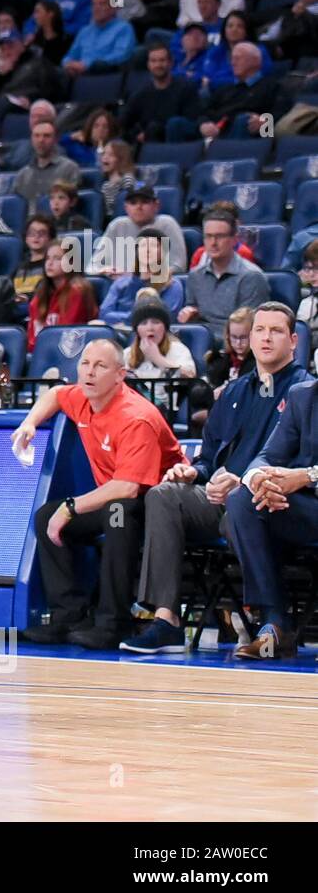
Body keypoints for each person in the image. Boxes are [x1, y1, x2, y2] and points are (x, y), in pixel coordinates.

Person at [125, 303, 311, 654]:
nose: (266, 337)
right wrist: (195, 472)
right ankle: (166, 619)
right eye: (259, 330)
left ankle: (270, 619)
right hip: (221, 499)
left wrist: (242, 482)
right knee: (164, 495)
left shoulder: (304, 391)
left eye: (275, 331)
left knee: (240, 507)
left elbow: (301, 464)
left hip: (270, 502)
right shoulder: (235, 392)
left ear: (293, 340)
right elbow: (210, 457)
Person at [15, 338, 185, 648]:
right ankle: (68, 616)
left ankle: (114, 623)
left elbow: (129, 487)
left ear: (120, 375)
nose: (89, 372)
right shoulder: (83, 396)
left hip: (160, 506)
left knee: (116, 511)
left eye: (100, 366)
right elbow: (54, 394)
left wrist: (70, 506)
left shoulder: (136, 416)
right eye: (85, 364)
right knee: (45, 517)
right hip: (115, 497)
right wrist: (30, 422)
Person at [227, 375, 318, 660]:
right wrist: (259, 480)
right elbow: (267, 455)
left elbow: (302, 476)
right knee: (243, 500)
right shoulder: (303, 396)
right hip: (307, 512)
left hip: (308, 493)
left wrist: (306, 476)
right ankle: (274, 623)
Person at [179, 210, 268, 337]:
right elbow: (193, 313)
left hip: (236, 346)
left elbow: (251, 328)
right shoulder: (195, 275)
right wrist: (188, 315)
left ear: (234, 239)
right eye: (208, 236)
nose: (213, 243)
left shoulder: (251, 276)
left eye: (219, 236)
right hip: (203, 343)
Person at [91, 183, 187, 275]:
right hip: (120, 285)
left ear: (156, 205)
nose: (139, 207)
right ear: (126, 208)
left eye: (145, 202)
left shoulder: (167, 224)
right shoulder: (117, 225)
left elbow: (179, 265)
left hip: (159, 284)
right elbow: (93, 266)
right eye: (133, 203)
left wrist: (150, 276)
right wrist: (105, 270)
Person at [97, 229, 184, 327]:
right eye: (143, 246)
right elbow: (104, 313)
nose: (147, 250)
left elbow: (165, 317)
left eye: (153, 246)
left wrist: (121, 321)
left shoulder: (172, 285)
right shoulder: (121, 283)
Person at [121, 44, 202, 145]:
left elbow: (192, 122)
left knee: (173, 123)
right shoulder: (140, 94)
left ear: (171, 63)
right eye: (153, 61)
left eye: (162, 60)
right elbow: (123, 123)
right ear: (148, 65)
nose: (158, 65)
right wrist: (136, 135)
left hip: (179, 145)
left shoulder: (186, 88)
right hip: (150, 143)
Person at [28, 238, 98, 350]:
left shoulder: (77, 291)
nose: (50, 263)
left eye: (57, 259)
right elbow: (31, 339)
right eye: (48, 258)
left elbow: (67, 336)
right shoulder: (40, 294)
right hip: (40, 353)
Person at [126, 301, 197, 411]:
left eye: (156, 322)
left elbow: (190, 375)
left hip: (164, 412)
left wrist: (158, 358)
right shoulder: (127, 354)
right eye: (144, 323)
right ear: (137, 330)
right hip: (131, 411)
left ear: (165, 327)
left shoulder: (178, 349)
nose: (150, 328)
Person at [12, 120, 83, 203]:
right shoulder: (22, 175)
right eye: (36, 136)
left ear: (55, 139)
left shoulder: (70, 169)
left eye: (46, 136)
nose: (41, 140)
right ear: (31, 139)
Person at [15, 214, 55, 320]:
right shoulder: (19, 267)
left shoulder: (52, 265)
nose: (36, 237)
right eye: (31, 233)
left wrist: (28, 298)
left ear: (50, 238)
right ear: (26, 238)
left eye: (41, 234)